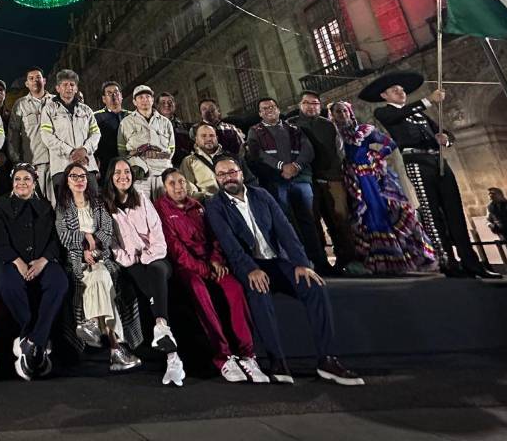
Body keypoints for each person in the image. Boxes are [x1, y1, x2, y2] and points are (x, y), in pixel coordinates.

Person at [205, 155, 362, 386]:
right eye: (221, 174)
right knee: (259, 292)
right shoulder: (215, 205)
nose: (227, 178)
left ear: (240, 172)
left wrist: (301, 264)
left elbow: (286, 231)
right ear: (216, 179)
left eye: (231, 172)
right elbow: (230, 245)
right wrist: (251, 269)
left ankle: (327, 360)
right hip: (248, 265)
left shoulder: (262, 196)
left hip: (277, 262)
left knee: (314, 286)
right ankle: (277, 359)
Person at [364, 71, 500, 279]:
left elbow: (446, 133)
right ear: (384, 96)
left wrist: (445, 139)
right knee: (431, 212)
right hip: (417, 162)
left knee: (454, 211)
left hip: (438, 162)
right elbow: (400, 114)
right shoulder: (385, 112)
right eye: (394, 90)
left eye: (401, 89)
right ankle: (446, 261)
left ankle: (471, 262)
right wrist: (428, 100)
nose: (400, 92)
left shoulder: (421, 115)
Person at [155, 168, 266, 383]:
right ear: (165, 188)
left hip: (212, 264)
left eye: (181, 182)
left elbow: (214, 237)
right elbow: (176, 249)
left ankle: (247, 354)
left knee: (235, 289)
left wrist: (215, 260)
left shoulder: (197, 206)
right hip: (187, 268)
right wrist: (204, 269)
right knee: (199, 292)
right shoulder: (161, 209)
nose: (178, 187)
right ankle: (223, 357)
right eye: (172, 183)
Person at [104, 158, 187, 386]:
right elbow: (113, 246)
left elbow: (157, 233)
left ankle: (161, 327)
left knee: (157, 272)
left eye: (127, 172)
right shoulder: (105, 206)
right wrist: (132, 259)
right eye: (118, 172)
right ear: (111, 177)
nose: (124, 176)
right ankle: (172, 355)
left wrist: (148, 256)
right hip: (131, 263)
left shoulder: (141, 198)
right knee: (150, 284)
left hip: (156, 258)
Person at [53, 161, 142, 372]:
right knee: (100, 279)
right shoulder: (62, 207)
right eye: (74, 177)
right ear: (67, 181)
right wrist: (84, 241)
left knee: (100, 275)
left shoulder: (99, 204)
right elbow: (63, 235)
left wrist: (95, 249)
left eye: (82, 176)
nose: (79, 180)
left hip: (101, 257)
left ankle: (92, 323)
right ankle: (116, 348)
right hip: (76, 260)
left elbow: (107, 231)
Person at [328, 101, 435, 275]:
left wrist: (378, 156)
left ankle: (400, 257)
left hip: (371, 176)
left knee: (382, 210)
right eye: (338, 112)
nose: (342, 114)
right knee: (363, 215)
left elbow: (390, 143)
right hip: (352, 179)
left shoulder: (364, 131)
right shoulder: (335, 135)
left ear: (350, 112)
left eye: (344, 111)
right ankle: (375, 259)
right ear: (333, 115)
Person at [0, 163, 68, 381]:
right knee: (8, 285)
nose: (22, 183)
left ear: (34, 183)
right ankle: (36, 338)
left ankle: (31, 341)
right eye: (18, 179)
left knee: (59, 282)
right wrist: (19, 263)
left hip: (42, 261)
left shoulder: (45, 207)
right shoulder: (1, 205)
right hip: (13, 261)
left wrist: (43, 261)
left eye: (26, 179)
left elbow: (54, 239)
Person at [247, 97, 329, 273]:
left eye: (272, 107)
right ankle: (297, 262)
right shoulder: (255, 131)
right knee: (284, 222)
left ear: (278, 109)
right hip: (275, 182)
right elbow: (257, 154)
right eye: (264, 108)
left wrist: (296, 166)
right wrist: (281, 167)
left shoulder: (294, 129)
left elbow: (308, 150)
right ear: (260, 113)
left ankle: (320, 262)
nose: (269, 110)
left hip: (300, 180)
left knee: (309, 220)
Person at [292, 91, 363, 275]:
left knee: (340, 219)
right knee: (313, 222)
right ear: (300, 105)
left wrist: (336, 173)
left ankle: (348, 259)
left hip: (333, 179)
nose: (311, 106)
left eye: (315, 103)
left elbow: (339, 150)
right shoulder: (293, 126)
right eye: (306, 103)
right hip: (308, 180)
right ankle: (320, 262)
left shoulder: (328, 125)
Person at [40, 69, 101, 198]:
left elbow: (96, 133)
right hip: (62, 168)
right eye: (65, 85)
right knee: (65, 209)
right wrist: (71, 152)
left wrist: (85, 149)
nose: (69, 88)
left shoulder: (86, 110)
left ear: (76, 88)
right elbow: (47, 136)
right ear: (58, 88)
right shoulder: (49, 110)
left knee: (94, 206)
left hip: (87, 166)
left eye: (72, 85)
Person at [118, 85, 175, 199]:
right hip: (140, 177)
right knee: (143, 210)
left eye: (148, 96)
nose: (145, 100)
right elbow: (121, 151)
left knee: (166, 208)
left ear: (153, 100)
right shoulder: (126, 123)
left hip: (162, 174)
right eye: (140, 97)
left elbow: (172, 149)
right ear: (134, 101)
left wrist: (160, 155)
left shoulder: (165, 122)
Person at [9, 68, 54, 200]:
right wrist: (17, 161)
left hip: (57, 162)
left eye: (38, 77)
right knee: (38, 206)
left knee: (59, 205)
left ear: (44, 81)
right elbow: (13, 134)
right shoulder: (20, 105)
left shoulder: (56, 102)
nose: (35, 81)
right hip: (34, 164)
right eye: (31, 78)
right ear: (27, 84)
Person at [178, 123, 236, 201]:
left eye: (211, 135)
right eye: (204, 136)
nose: (208, 139)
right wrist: (208, 198)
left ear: (217, 138)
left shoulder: (230, 157)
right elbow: (189, 191)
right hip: (210, 205)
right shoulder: (188, 162)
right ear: (196, 139)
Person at [93, 81, 128, 177]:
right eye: (109, 93)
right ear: (104, 99)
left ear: (121, 96)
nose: (114, 95)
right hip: (107, 166)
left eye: (116, 92)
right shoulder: (96, 117)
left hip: (130, 163)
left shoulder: (131, 116)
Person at [157, 92, 193, 165]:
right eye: (163, 102)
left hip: (185, 164)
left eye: (170, 102)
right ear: (157, 106)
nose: (167, 105)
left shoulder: (185, 127)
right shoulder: (152, 127)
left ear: (174, 105)